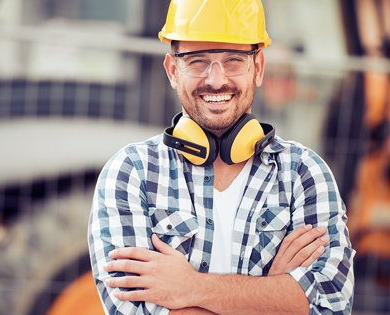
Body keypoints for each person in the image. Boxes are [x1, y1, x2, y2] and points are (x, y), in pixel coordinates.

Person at [88, 1, 355, 314]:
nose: (216, 80)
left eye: (233, 61)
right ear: (173, 71)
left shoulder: (305, 174)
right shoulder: (131, 173)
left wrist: (189, 287)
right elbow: (132, 311)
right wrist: (273, 292)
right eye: (198, 61)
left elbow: (330, 305)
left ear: (259, 68)